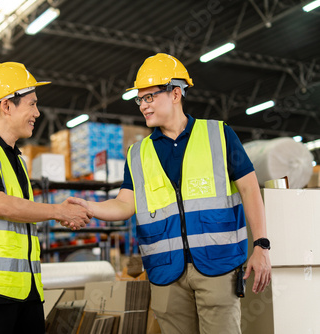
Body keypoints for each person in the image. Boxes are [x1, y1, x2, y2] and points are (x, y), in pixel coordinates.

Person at [67, 53, 271, 334]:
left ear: (176, 93)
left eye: (149, 97)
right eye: (140, 100)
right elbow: (125, 204)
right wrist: (89, 206)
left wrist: (261, 245)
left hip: (218, 264)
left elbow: (250, 189)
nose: (143, 106)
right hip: (165, 272)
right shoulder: (137, 154)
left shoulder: (219, 135)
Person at [0, 62, 92, 334]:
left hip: (26, 288)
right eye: (31, 104)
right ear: (6, 106)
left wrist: (62, 214)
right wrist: (58, 212)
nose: (37, 112)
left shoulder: (17, 160)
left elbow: (20, 216)